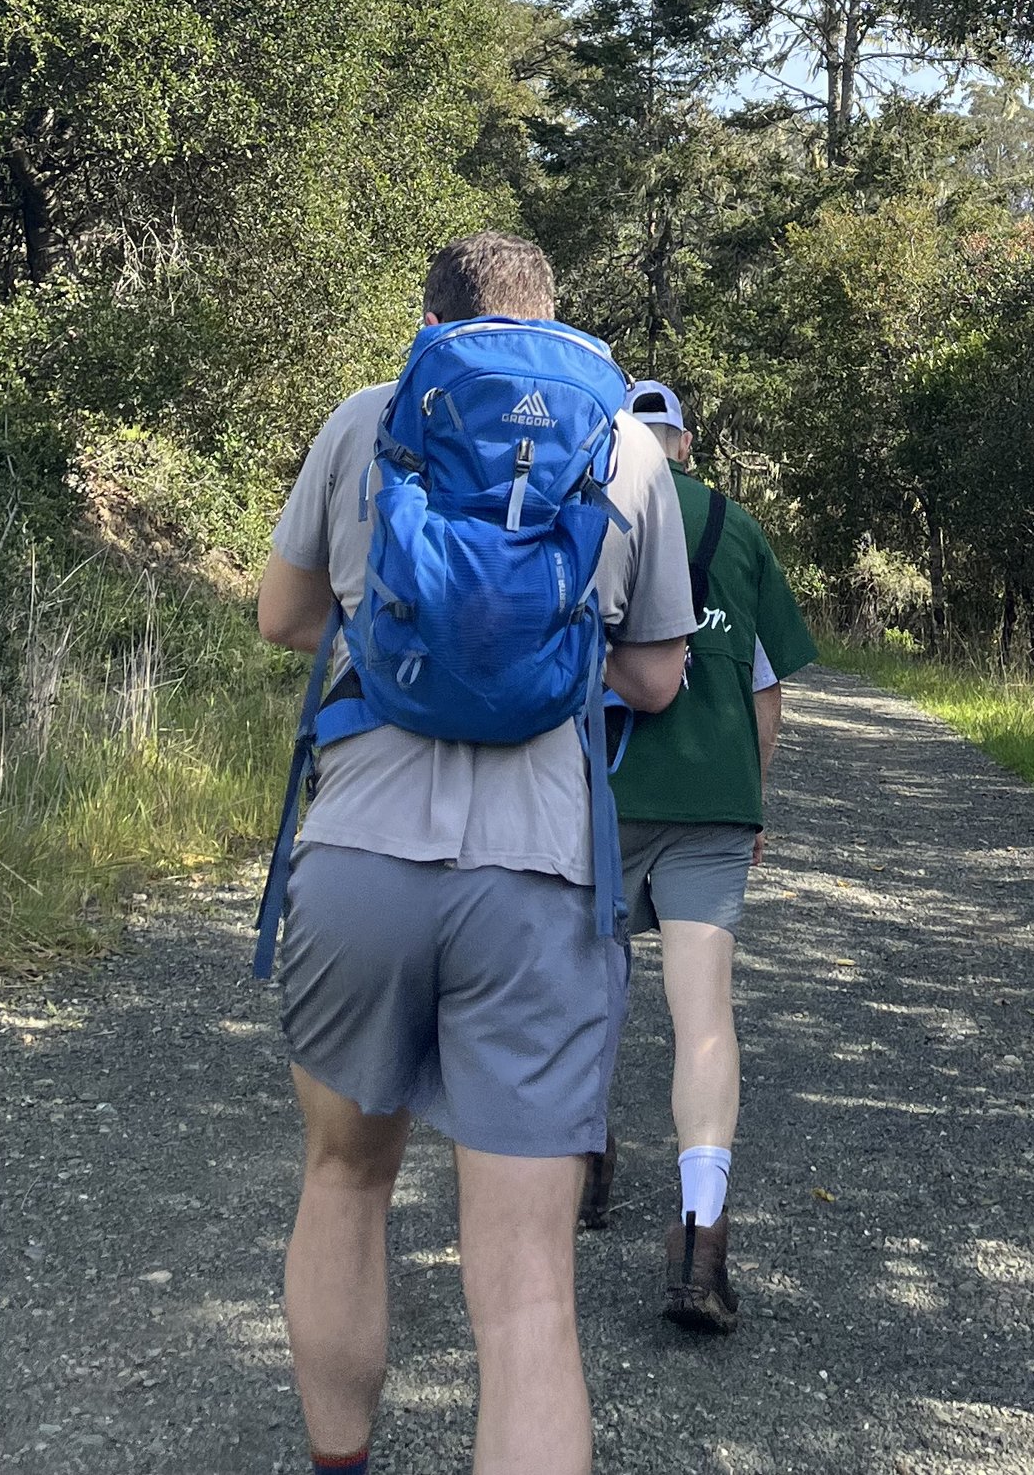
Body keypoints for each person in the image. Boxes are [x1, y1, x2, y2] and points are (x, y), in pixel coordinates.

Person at [255, 233, 696, 1475]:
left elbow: (284, 617)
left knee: (344, 1179)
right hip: (544, 874)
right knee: (524, 1287)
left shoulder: (373, 417)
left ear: (432, 321)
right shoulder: (622, 445)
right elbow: (659, 677)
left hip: (357, 851)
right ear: (556, 323)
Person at [582, 377, 819, 1335]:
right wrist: (748, 798)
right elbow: (768, 688)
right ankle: (700, 1236)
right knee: (704, 1017)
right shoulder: (741, 527)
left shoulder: (587, 508)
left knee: (585, 987)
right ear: (682, 442)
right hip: (713, 799)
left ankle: (586, 1164)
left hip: (599, 794)